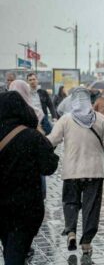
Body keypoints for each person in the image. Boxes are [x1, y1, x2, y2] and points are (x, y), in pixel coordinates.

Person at [46, 88, 104, 262]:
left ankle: (70, 232)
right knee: (91, 208)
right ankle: (86, 243)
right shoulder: (99, 118)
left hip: (72, 171)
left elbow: (52, 140)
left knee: (70, 202)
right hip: (95, 171)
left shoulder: (66, 119)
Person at [0, 91, 59, 265]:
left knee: (9, 246)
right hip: (25, 207)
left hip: (1, 206)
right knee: (16, 251)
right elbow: (49, 167)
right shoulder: (32, 137)